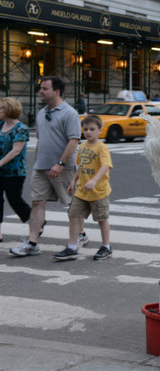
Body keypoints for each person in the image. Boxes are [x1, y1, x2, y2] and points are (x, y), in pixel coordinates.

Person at [10, 76, 84, 257]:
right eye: (41, 88)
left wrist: (60, 163)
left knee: (72, 206)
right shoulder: (41, 113)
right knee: (37, 202)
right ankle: (32, 242)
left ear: (56, 91)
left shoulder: (69, 113)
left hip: (63, 168)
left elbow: (73, 141)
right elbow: (42, 141)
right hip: (41, 167)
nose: (40, 92)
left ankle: (75, 242)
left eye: (44, 88)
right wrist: (36, 163)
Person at [54, 115, 113, 261]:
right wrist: (74, 181)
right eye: (85, 129)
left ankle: (106, 246)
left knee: (102, 219)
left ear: (100, 130)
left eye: (92, 129)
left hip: (98, 192)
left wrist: (93, 181)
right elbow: (80, 166)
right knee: (73, 215)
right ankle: (72, 247)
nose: (88, 132)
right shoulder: (83, 147)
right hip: (81, 191)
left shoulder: (102, 147)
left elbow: (106, 166)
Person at [0, 98, 32, 242]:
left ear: (8, 110)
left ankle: (36, 223)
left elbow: (16, 151)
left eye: (1, 108)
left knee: (15, 200)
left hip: (15, 172)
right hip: (0, 171)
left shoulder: (21, 128)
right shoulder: (0, 125)